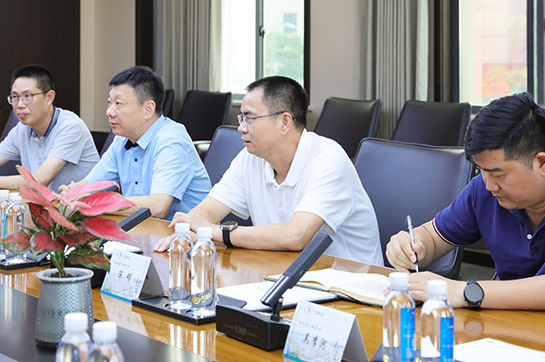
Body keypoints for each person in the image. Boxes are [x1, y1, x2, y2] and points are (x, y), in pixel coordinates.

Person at [386, 93, 545, 312]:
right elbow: (432, 237)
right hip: (503, 324)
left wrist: (467, 292)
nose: (489, 185)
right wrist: (412, 245)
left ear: (542, 163)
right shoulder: (485, 188)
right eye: (482, 170)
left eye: (498, 174)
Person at [153, 76, 383, 266]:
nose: (241, 128)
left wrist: (218, 233)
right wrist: (191, 232)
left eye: (250, 118)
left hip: (347, 286)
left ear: (284, 121)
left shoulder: (328, 159)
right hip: (282, 271)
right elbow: (205, 212)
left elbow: (296, 235)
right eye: (241, 118)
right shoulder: (250, 157)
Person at [80, 66, 211, 219]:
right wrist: (68, 194)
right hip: (140, 228)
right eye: (109, 102)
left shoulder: (171, 140)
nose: (109, 111)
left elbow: (158, 206)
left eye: (118, 104)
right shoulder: (122, 139)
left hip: (184, 232)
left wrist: (100, 204)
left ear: (148, 109)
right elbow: (89, 187)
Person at [0, 64, 99, 192]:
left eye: (27, 96)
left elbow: (41, 180)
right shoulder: (22, 129)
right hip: (44, 205)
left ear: (49, 97)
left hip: (82, 207)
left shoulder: (71, 126)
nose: (20, 104)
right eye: (15, 97)